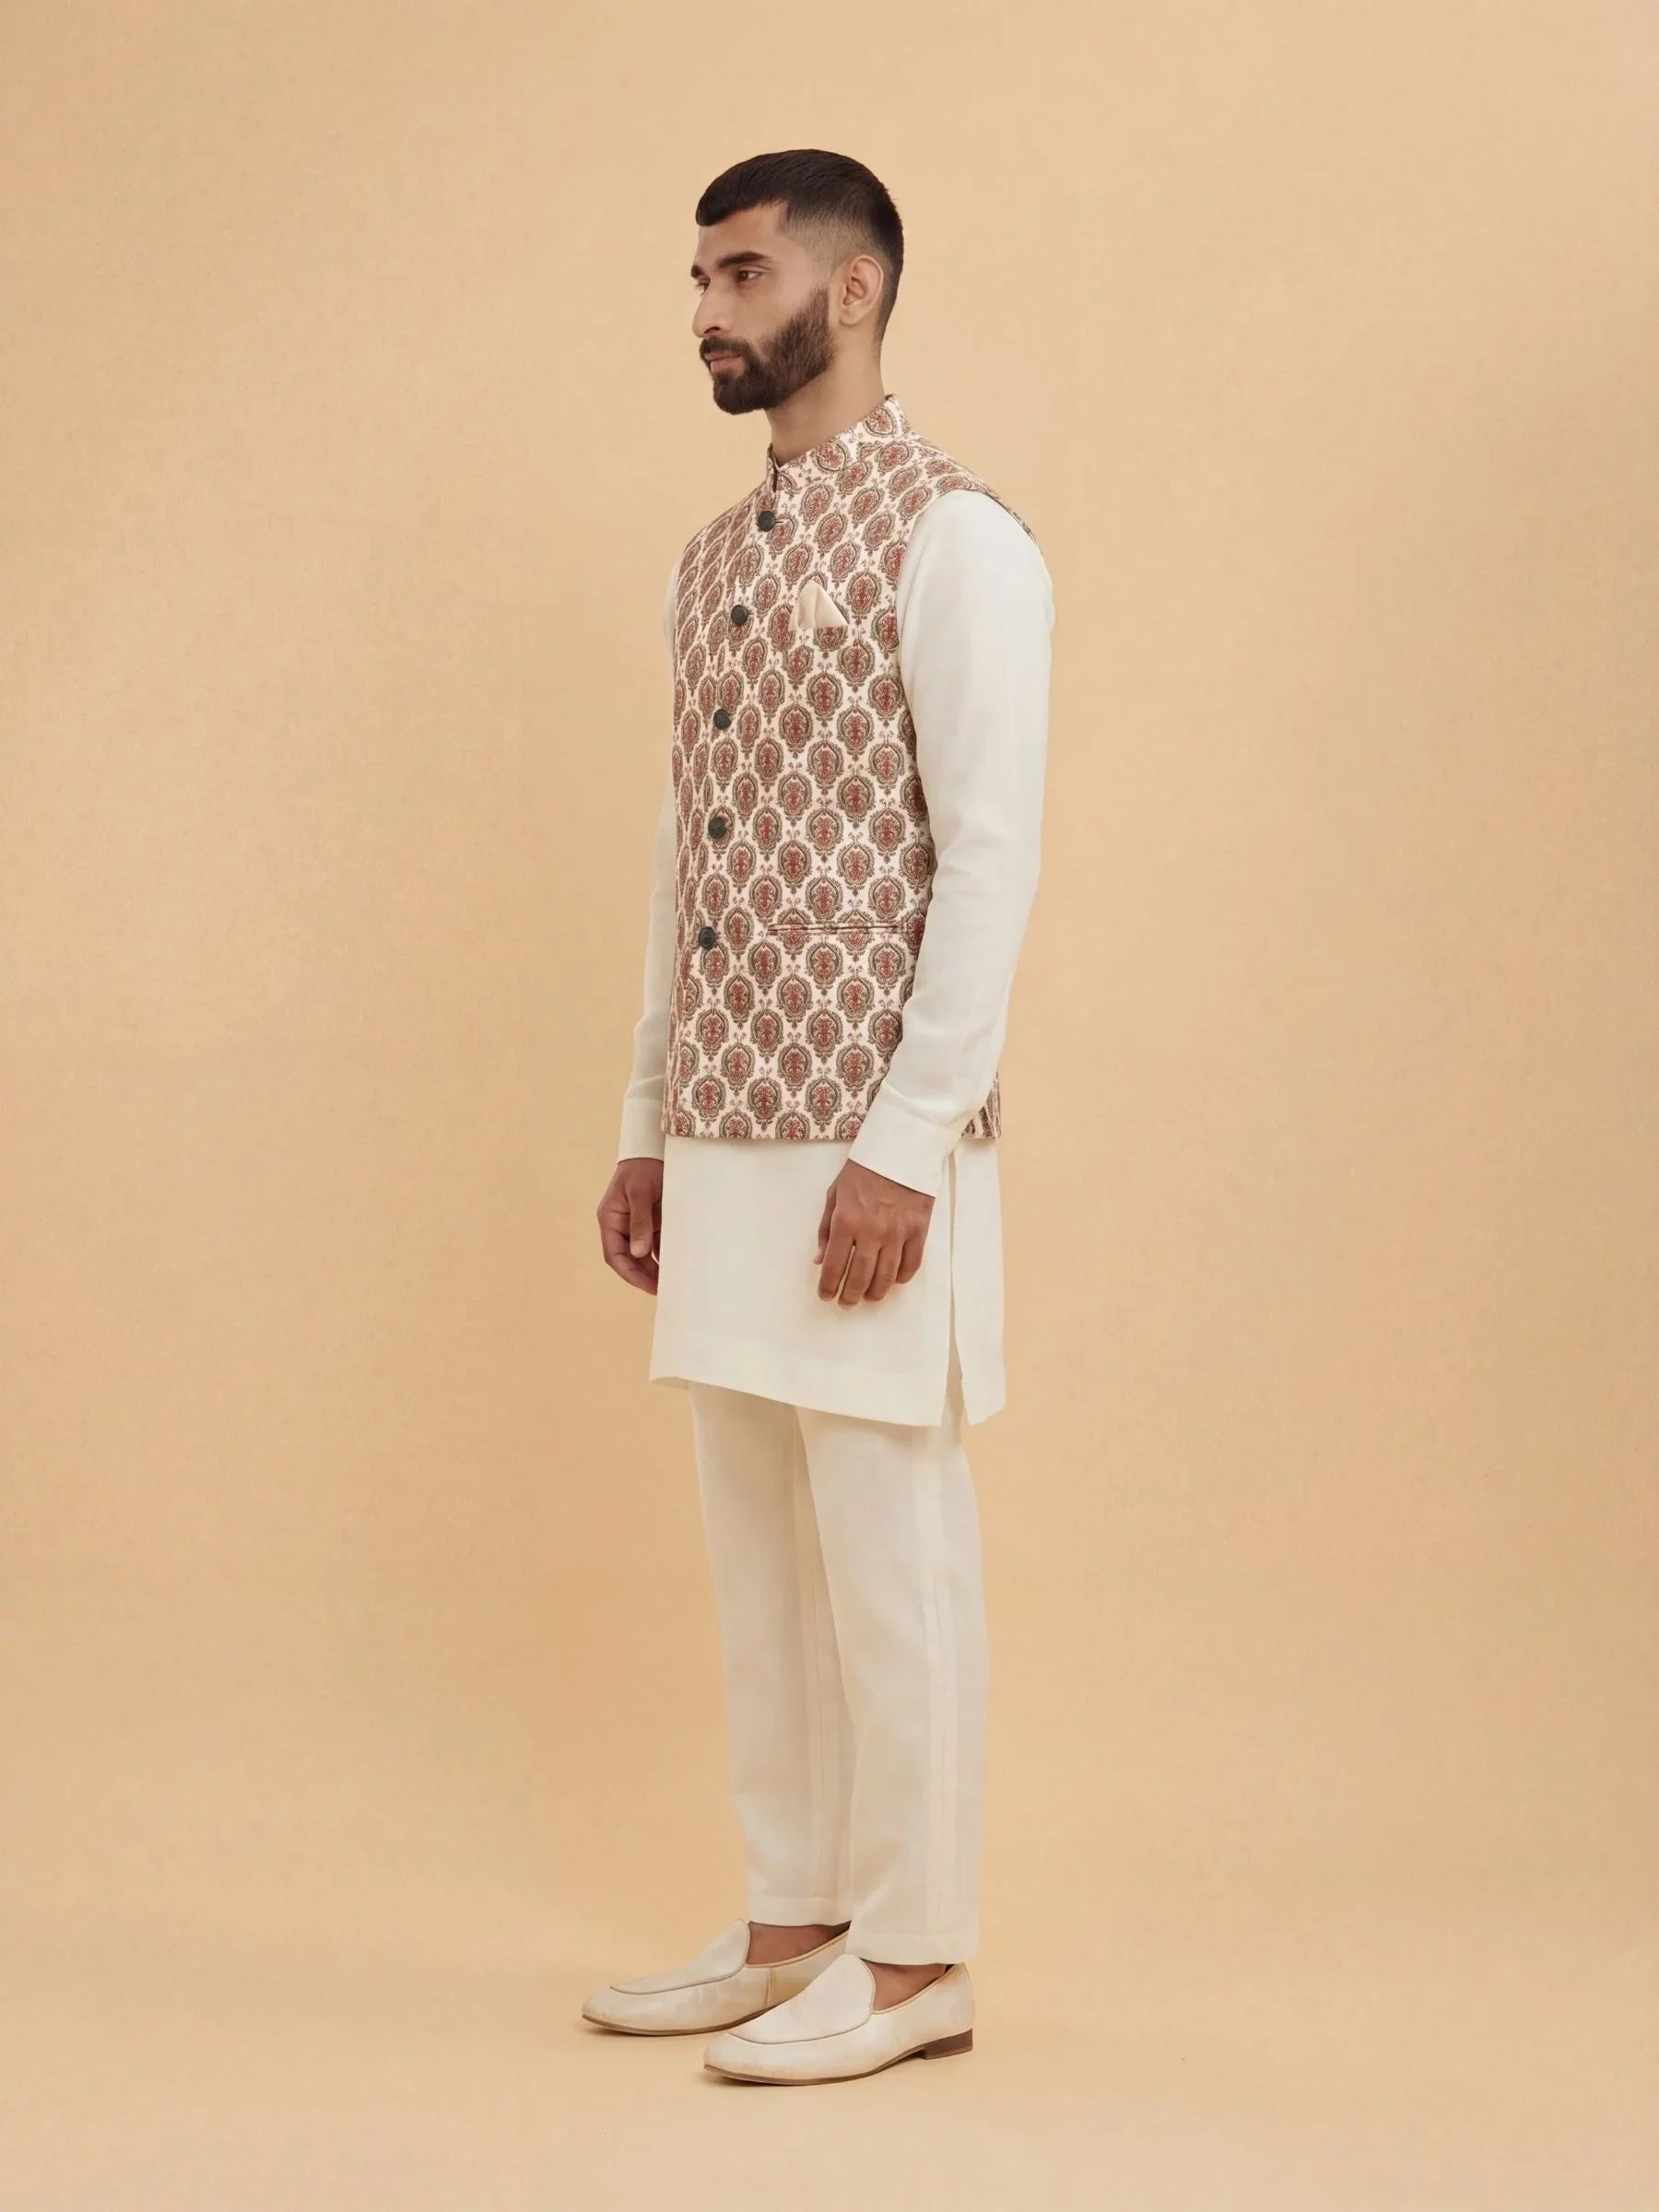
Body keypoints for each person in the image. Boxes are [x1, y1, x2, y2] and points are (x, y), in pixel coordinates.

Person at [586, 148, 1054, 2086]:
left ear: (849, 291)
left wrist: (906, 1144)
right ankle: (795, 1923)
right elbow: (682, 867)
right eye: (698, 278)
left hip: (870, 1142)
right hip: (726, 1126)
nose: (707, 309)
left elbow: (991, 861)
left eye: (742, 273)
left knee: (889, 1545)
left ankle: (921, 1954)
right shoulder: (711, 561)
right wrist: (646, 1121)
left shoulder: (961, 542)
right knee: (758, 1548)